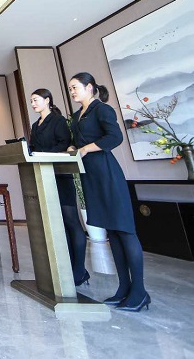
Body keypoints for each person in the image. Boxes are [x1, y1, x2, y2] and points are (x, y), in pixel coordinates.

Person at [68, 71, 150, 312]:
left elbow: (115, 137)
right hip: (90, 176)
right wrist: (74, 147)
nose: (72, 91)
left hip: (107, 173)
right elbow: (79, 142)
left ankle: (139, 292)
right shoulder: (77, 115)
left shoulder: (101, 109)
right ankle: (124, 287)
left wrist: (86, 148)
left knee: (124, 230)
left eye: (75, 87)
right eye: (70, 88)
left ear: (89, 87)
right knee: (112, 232)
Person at [29, 88, 88, 287]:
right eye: (31, 101)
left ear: (47, 100)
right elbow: (33, 147)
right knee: (58, 223)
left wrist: (44, 155)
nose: (33, 104)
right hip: (44, 176)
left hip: (61, 174)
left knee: (71, 220)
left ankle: (80, 270)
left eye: (36, 100)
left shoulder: (58, 121)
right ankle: (66, 267)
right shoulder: (35, 125)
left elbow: (64, 144)